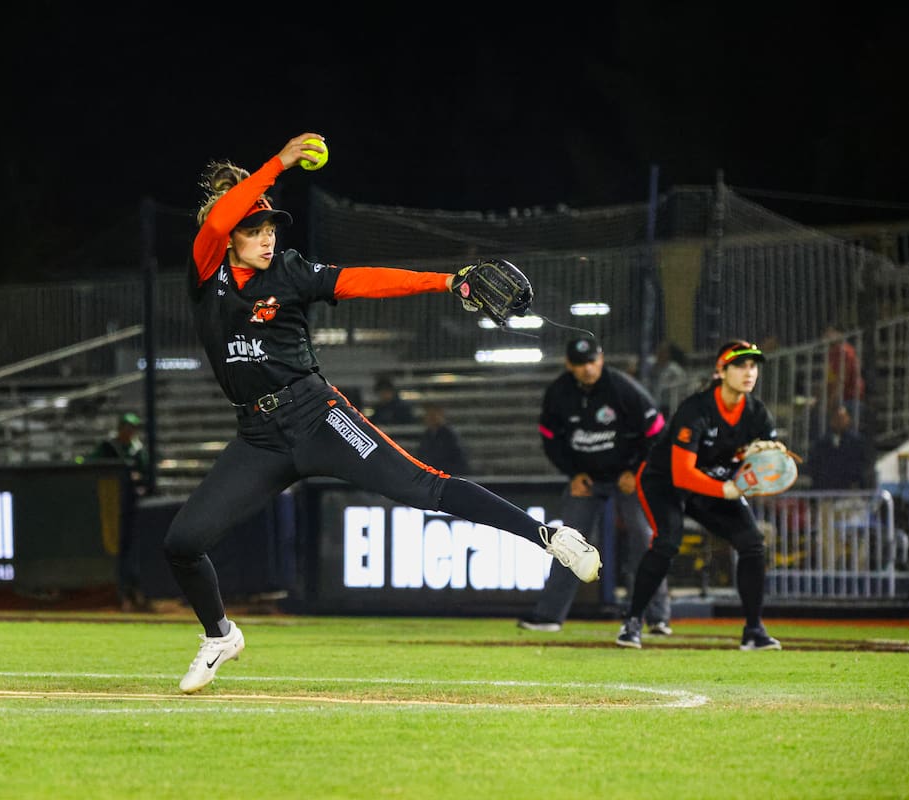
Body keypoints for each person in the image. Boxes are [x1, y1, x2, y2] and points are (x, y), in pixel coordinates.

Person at [164, 132, 601, 693]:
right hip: (258, 437)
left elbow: (364, 281)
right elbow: (215, 223)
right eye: (256, 230)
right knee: (181, 542)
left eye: (272, 227)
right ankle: (220, 634)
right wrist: (279, 162)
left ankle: (548, 537)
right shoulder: (208, 274)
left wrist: (444, 281)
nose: (268, 238)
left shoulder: (290, 271)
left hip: (316, 416)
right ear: (230, 239)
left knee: (425, 487)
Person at [617, 339, 785, 651]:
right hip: (664, 483)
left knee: (752, 544)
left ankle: (754, 630)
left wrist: (768, 458)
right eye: (740, 365)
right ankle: (633, 621)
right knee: (667, 542)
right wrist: (728, 489)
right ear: (721, 371)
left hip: (709, 486)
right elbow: (682, 474)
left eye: (753, 366)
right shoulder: (696, 410)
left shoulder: (757, 414)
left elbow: (772, 463)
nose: (749, 372)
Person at [521, 337, 672, 634]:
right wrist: (572, 473)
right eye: (580, 364)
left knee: (645, 539)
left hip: (628, 476)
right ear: (569, 365)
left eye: (592, 361)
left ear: (601, 359)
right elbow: (550, 440)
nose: (587, 369)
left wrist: (636, 471)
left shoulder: (623, 389)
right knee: (567, 541)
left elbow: (657, 432)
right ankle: (549, 616)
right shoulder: (558, 394)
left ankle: (655, 617)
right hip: (587, 479)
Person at [79, 412, 150, 610]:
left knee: (132, 551)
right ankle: (120, 594)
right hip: (110, 506)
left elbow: (147, 476)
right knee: (115, 550)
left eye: (133, 428)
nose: (130, 432)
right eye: (127, 427)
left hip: (133, 507)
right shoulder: (108, 447)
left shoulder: (138, 450)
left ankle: (135, 593)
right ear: (120, 428)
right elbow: (90, 464)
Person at [803, 404, 875, 491]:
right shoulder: (822, 443)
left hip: (850, 489)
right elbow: (814, 464)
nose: (839, 421)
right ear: (831, 421)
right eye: (836, 418)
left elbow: (864, 464)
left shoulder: (858, 442)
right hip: (826, 490)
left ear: (848, 419)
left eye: (842, 418)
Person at [415, 402, 472, 476]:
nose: (430, 418)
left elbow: (458, 459)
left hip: (447, 476)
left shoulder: (450, 435)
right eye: (428, 415)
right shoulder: (427, 435)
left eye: (433, 415)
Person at [649, 340, 688, 418]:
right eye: (658, 351)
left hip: (668, 404)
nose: (659, 354)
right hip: (653, 402)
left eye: (662, 352)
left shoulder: (673, 369)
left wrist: (667, 386)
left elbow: (682, 382)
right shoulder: (653, 367)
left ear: (668, 354)